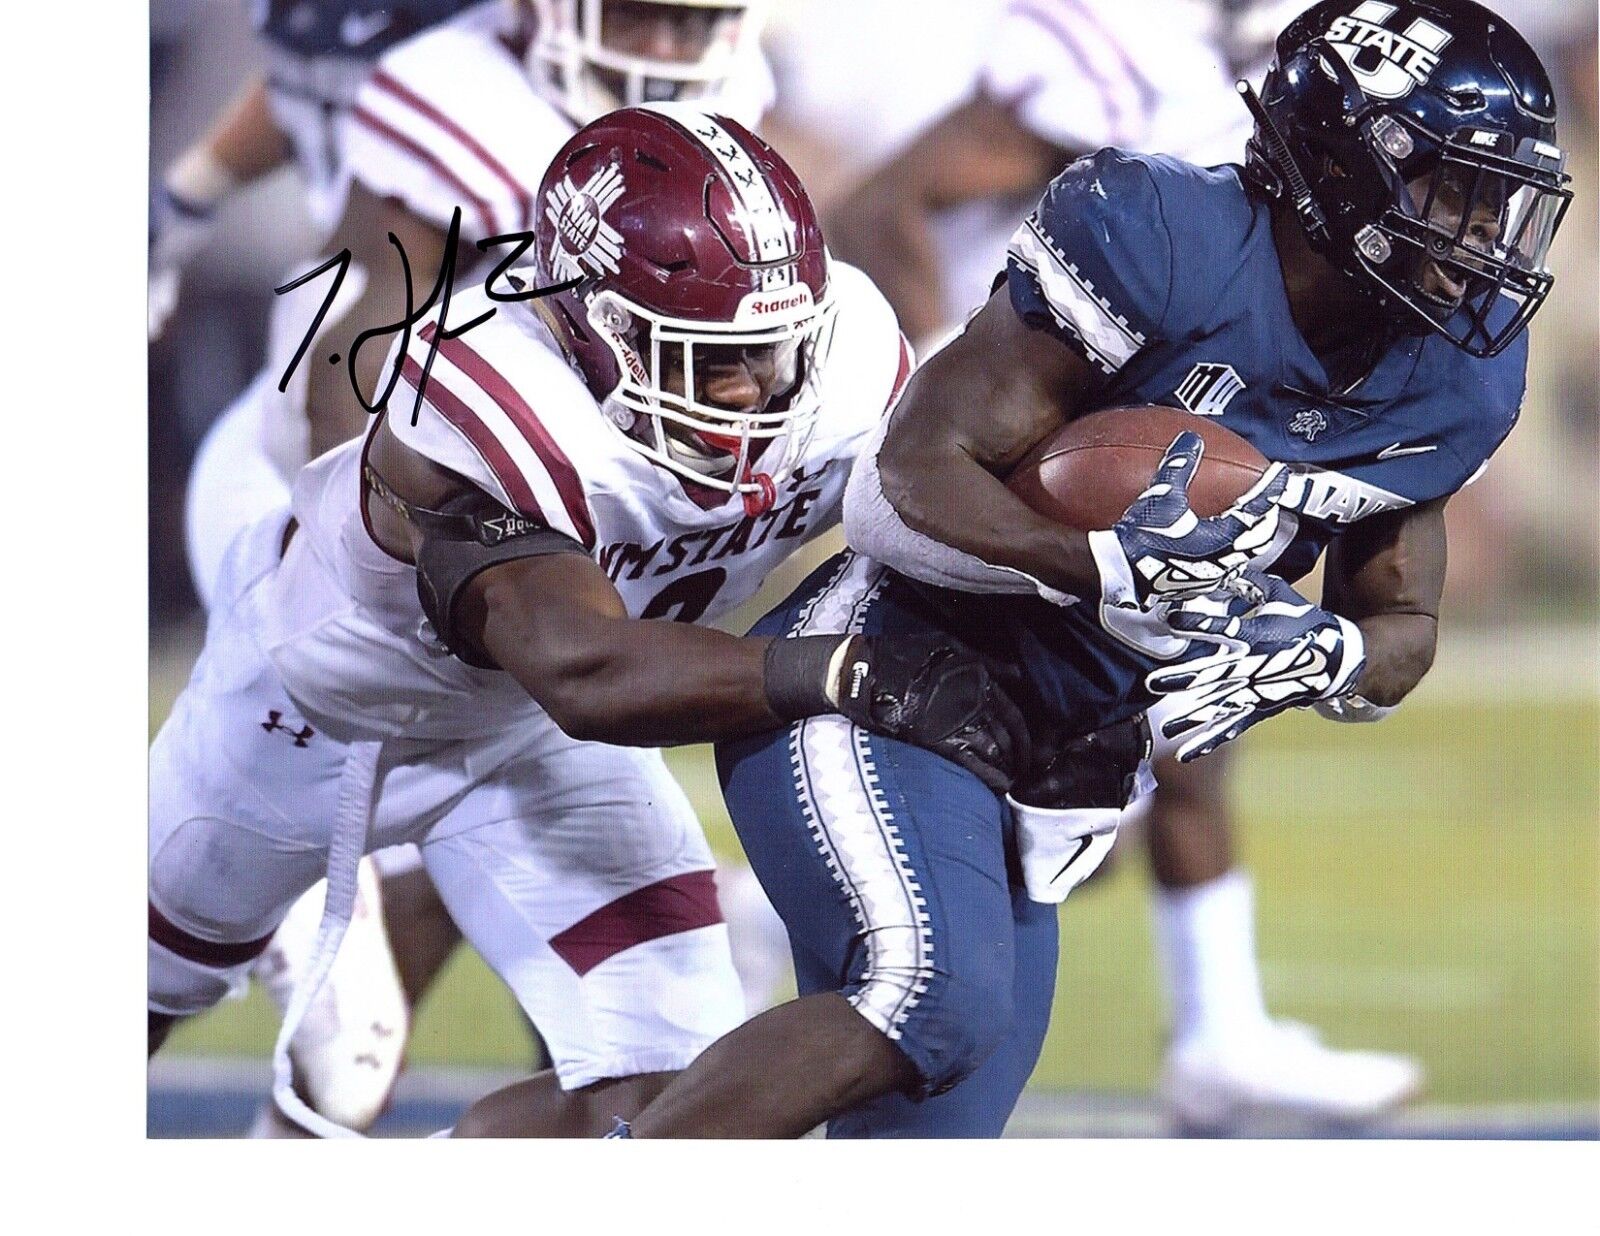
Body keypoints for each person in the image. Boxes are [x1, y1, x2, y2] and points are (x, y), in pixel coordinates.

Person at [609, 0, 1571, 1137]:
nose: (1479, 235)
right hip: (891, 682)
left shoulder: (1453, 375)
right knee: (933, 1005)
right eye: (1450, 189)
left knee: (927, 1150)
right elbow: (901, 480)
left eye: (1498, 197)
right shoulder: (1163, 231)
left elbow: (1399, 623)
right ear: (1341, 169)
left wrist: (1324, 652)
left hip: (1064, 761)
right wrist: (1097, 564)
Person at [147, 103, 1037, 1139]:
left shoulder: (846, 360)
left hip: (520, 743)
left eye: (772, 351)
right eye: (706, 360)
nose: (752, 391)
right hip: (310, 723)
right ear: (583, 324)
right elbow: (584, 671)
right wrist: (848, 673)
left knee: (670, 1090)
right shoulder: (476, 396)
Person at [160, 0, 779, 1134]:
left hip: (513, 538)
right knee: (260, 968)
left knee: (562, 969)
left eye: (702, 21)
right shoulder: (452, 89)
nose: (672, 53)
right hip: (334, 503)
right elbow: (342, 330)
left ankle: (297, 1139)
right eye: (651, 17)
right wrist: (377, 528)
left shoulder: (733, 106)